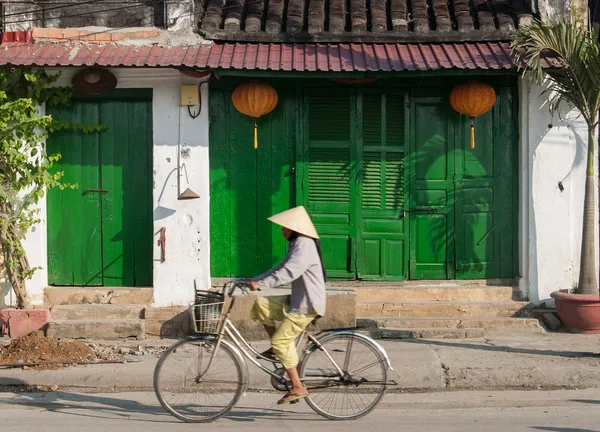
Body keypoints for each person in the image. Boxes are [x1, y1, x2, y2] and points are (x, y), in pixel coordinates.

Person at [248, 206, 327, 405]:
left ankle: (298, 386)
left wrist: (262, 284)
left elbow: (289, 272)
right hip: (297, 300)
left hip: (307, 305)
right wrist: (253, 280)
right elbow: (280, 267)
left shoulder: (305, 245)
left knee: (281, 341)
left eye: (284, 227)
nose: (282, 231)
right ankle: (278, 350)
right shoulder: (297, 244)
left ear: (295, 228)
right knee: (261, 304)